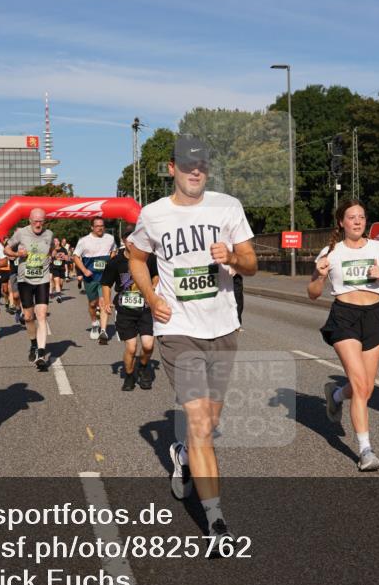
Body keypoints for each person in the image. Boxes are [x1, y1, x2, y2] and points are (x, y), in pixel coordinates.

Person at [127, 135, 257, 548]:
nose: (194, 170)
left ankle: (182, 454)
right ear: (172, 169)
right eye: (186, 164)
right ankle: (216, 522)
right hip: (177, 329)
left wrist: (232, 258)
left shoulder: (228, 207)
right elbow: (135, 256)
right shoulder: (153, 214)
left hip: (222, 328)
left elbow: (251, 264)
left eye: (201, 164)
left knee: (209, 423)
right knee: (201, 424)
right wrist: (151, 298)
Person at [310, 200, 379, 471]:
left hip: (374, 317)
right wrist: (319, 276)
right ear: (341, 222)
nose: (357, 221)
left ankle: (338, 395)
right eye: (351, 217)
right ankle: (366, 450)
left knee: (363, 386)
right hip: (344, 317)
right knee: (361, 383)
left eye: (362, 217)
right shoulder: (331, 252)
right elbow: (312, 292)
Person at [101, 231, 159, 391]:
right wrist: (106, 301)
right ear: (123, 241)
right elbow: (106, 283)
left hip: (145, 308)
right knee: (131, 347)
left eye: (135, 240)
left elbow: (156, 275)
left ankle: (142, 366)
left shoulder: (149, 258)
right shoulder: (116, 261)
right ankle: (129, 375)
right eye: (129, 241)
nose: (132, 244)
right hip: (125, 309)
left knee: (148, 345)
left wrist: (153, 286)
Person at [5, 208, 55, 369]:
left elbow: (52, 251)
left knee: (41, 315)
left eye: (41, 221)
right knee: (28, 317)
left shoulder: (49, 234)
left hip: (42, 279)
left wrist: (54, 256)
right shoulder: (21, 233)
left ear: (44, 221)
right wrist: (17, 255)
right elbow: (7, 249)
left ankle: (41, 353)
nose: (38, 224)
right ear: (30, 220)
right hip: (24, 279)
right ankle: (33, 343)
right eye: (35, 221)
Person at [73, 217, 117, 345]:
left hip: (105, 277)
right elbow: (75, 257)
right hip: (90, 277)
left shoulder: (110, 238)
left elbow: (113, 251)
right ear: (92, 227)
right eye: (97, 226)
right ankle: (94, 323)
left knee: (103, 302)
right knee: (93, 303)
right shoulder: (84, 241)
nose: (100, 228)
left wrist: (111, 265)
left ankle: (103, 330)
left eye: (102, 225)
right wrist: (84, 271)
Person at [50, 237, 68, 302]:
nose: (56, 242)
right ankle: (59, 296)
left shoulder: (64, 249)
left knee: (60, 283)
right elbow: (50, 257)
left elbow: (67, 258)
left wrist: (64, 257)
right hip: (54, 268)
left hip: (62, 268)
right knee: (57, 282)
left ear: (59, 242)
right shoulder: (52, 249)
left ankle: (58, 291)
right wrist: (53, 254)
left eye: (57, 241)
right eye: (54, 241)